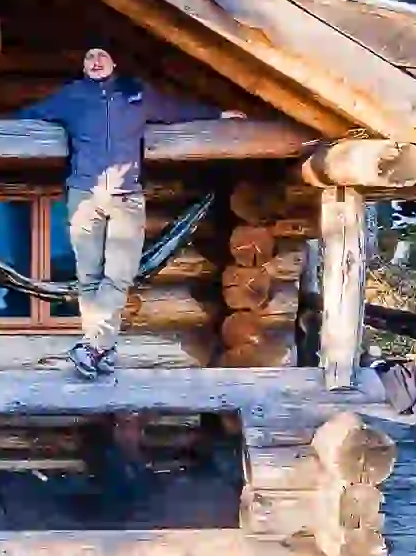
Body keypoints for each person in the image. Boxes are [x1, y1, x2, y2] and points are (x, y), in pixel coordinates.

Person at [15, 46, 245, 378]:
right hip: (84, 196)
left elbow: (175, 110)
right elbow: (31, 115)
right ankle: (101, 349)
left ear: (114, 61)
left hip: (126, 198)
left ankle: (93, 347)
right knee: (89, 278)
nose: (95, 61)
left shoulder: (135, 93)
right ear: (83, 65)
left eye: (101, 56)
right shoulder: (72, 97)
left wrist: (218, 115)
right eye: (89, 57)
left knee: (119, 276)